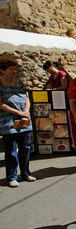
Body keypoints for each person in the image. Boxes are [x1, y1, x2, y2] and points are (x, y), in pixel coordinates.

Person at [0, 56, 35, 188]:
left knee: (25, 148)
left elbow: (27, 99)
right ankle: (12, 177)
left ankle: (25, 173)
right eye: (10, 69)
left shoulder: (19, 83)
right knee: (11, 151)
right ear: (2, 70)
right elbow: (1, 104)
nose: (14, 71)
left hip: (24, 121)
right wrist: (19, 113)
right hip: (8, 122)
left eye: (15, 69)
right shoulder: (0, 84)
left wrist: (25, 112)